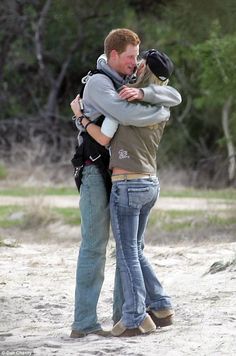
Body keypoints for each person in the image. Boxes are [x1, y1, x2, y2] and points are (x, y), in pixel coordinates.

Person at [70, 28, 180, 338]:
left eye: (138, 58)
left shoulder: (128, 83)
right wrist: (158, 111)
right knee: (95, 246)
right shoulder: (98, 83)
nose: (135, 62)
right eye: (131, 57)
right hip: (94, 170)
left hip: (124, 176)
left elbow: (173, 95)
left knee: (129, 247)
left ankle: (126, 315)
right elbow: (121, 114)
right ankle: (84, 324)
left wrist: (148, 96)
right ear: (115, 55)